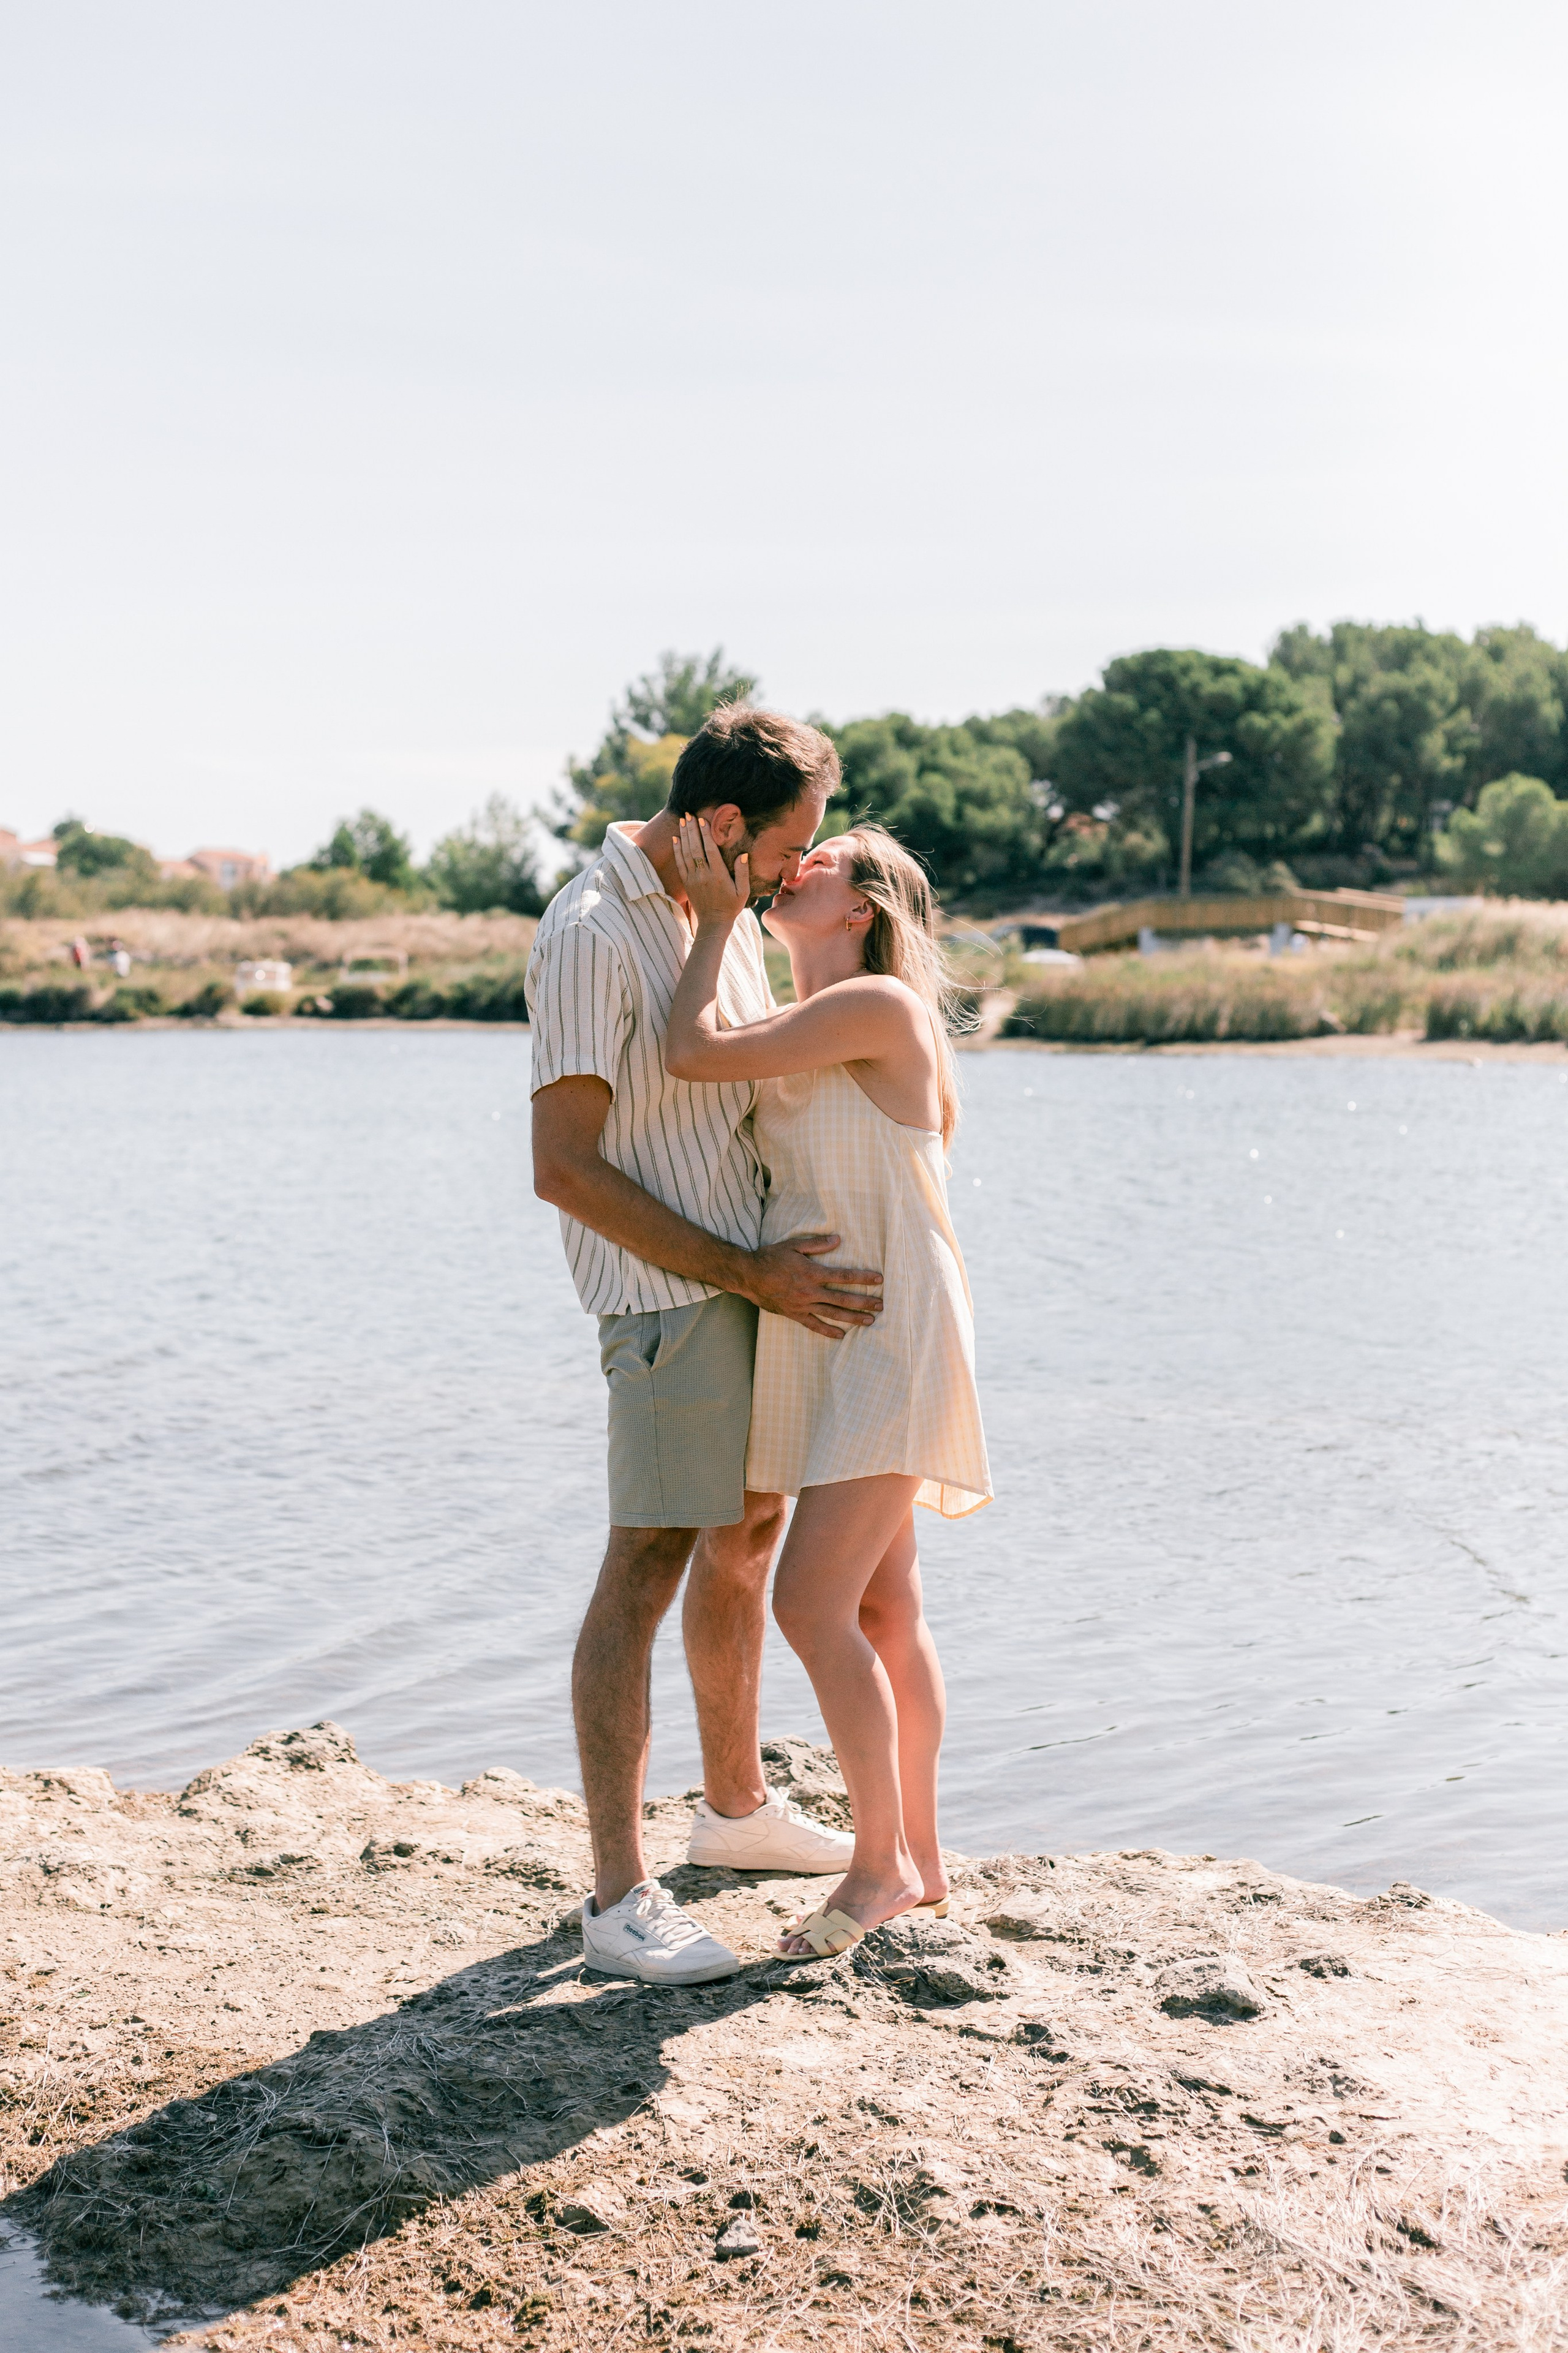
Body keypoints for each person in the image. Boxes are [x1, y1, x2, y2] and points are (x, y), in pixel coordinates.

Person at [526, 704, 886, 1987]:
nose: (799, 872)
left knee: (744, 1539)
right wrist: (743, 1273)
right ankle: (620, 1900)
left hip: (752, 1285)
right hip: (672, 1297)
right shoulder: (590, 930)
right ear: (723, 826)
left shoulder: (718, 919)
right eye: (788, 849)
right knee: (648, 1561)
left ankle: (732, 1810)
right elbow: (560, 1168)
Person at [665, 815, 991, 1958]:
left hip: (888, 1321)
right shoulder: (796, 1013)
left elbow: (690, 1052)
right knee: (885, 1605)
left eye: (822, 859)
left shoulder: (877, 1007)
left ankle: (881, 1862)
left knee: (810, 1601)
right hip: (830, 1323)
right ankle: (926, 1857)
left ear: (860, 909)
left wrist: (711, 920)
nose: (793, 864)